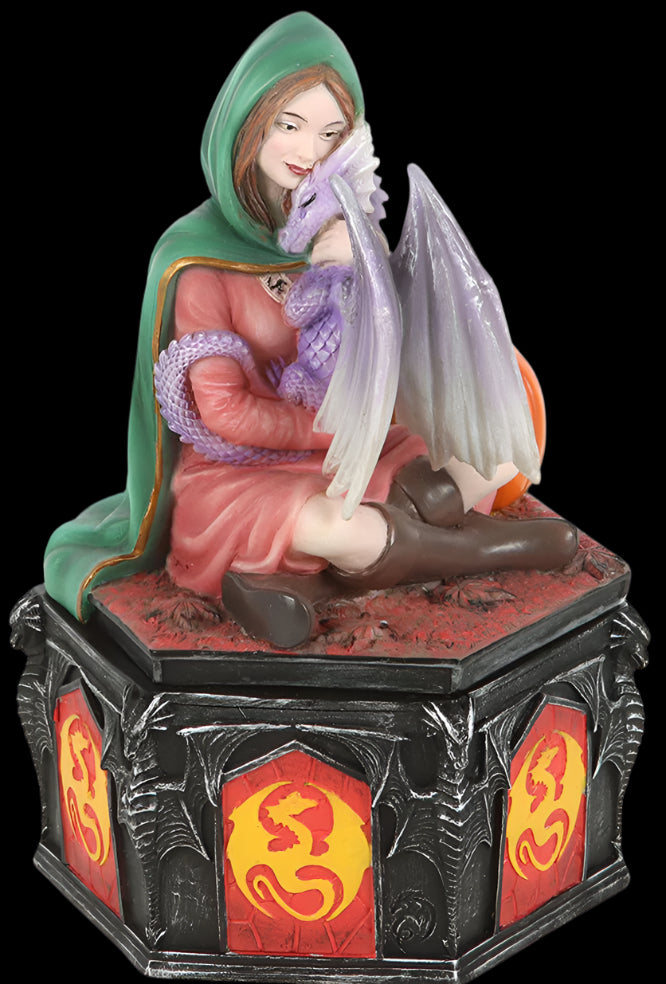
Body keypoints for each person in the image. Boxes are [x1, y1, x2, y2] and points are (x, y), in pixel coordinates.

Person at [44, 13, 577, 647]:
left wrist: (363, 277)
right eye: (289, 126)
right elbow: (224, 411)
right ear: (248, 128)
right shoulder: (198, 263)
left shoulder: (343, 229)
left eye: (330, 133)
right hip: (241, 471)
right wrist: (334, 432)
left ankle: (291, 585)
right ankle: (488, 549)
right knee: (337, 527)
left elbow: (387, 357)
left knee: (493, 459)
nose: (309, 152)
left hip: (350, 441)